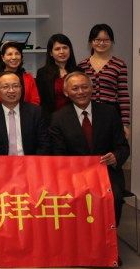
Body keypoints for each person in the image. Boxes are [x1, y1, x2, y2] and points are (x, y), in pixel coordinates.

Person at [49, 72, 130, 226]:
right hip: (73, 174)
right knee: (68, 198)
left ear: (92, 89)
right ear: (66, 92)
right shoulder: (58, 118)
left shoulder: (109, 113)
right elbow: (58, 154)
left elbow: (123, 147)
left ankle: (109, 234)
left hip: (106, 173)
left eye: (85, 87)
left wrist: (115, 157)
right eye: (75, 88)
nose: (81, 92)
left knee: (114, 197)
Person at [0, 72, 49, 158]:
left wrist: (33, 163)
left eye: (15, 86)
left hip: (30, 163)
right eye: (5, 87)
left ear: (21, 88)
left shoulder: (36, 112)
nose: (11, 90)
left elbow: (44, 144)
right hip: (0, 163)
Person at [78, 23, 131, 138]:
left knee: (111, 147)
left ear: (111, 42)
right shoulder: (82, 65)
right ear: (91, 42)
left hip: (111, 114)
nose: (101, 43)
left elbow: (123, 95)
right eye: (97, 40)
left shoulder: (119, 64)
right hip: (88, 114)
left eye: (106, 40)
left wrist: (125, 123)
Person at [36, 33, 83, 122]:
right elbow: (42, 102)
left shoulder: (79, 71)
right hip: (52, 120)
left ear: (70, 50)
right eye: (57, 49)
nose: (62, 52)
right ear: (51, 53)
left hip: (76, 118)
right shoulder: (42, 73)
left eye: (65, 47)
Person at [0, 41, 40, 106]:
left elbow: (35, 101)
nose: (14, 57)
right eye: (9, 54)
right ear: (3, 58)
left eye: (17, 54)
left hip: (27, 112)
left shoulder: (28, 77)